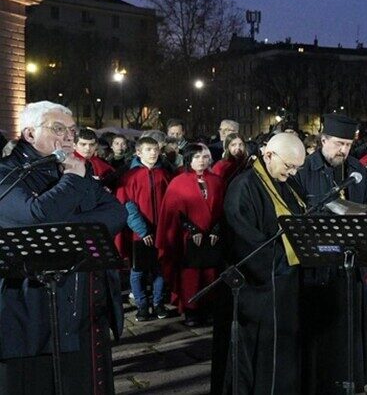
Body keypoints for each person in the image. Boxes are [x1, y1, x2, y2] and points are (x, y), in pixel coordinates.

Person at [0, 101, 126, 395]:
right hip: (29, 316)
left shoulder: (74, 168)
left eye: (72, 130)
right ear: (29, 134)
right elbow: (36, 218)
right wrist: (71, 181)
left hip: (80, 311)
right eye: (58, 129)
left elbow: (116, 213)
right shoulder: (8, 172)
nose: (69, 137)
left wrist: (66, 220)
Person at [292, 113, 367, 393]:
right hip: (316, 264)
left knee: (349, 324)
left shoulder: (356, 168)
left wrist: (365, 216)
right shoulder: (304, 169)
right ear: (323, 140)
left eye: (348, 144)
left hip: (350, 263)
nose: (343, 150)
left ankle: (350, 377)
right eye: (338, 144)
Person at [216, 133, 308, 393]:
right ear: (268, 155)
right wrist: (281, 260)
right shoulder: (243, 186)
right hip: (258, 289)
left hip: (287, 282)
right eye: (289, 166)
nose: (292, 173)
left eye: (297, 168)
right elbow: (243, 238)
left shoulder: (289, 183)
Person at [157, 143, 225, 327]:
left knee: (211, 275)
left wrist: (216, 229)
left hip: (212, 238)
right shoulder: (178, 182)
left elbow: (223, 209)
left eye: (204, 157)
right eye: (196, 157)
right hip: (187, 240)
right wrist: (191, 229)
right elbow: (172, 214)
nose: (201, 161)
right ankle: (192, 310)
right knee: (191, 277)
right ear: (188, 159)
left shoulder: (217, 181)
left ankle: (209, 308)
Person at [117, 136, 174, 321]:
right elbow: (128, 205)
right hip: (139, 233)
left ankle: (158, 303)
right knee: (138, 270)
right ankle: (142, 305)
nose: (153, 153)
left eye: (156, 149)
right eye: (149, 149)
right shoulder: (130, 176)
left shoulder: (164, 174)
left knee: (159, 268)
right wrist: (142, 231)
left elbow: (170, 201)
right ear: (138, 152)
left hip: (161, 229)